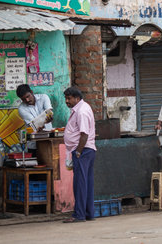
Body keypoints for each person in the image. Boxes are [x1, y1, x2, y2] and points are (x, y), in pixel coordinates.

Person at [63, 87, 96, 223]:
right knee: (86, 182)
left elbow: (84, 134)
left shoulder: (81, 111)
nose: (67, 101)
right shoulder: (81, 108)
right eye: (66, 98)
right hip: (85, 150)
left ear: (77, 98)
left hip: (83, 150)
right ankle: (88, 213)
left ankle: (79, 214)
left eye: (69, 98)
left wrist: (78, 152)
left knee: (80, 183)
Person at [16, 84, 53, 150]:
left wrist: (48, 117)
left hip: (49, 139)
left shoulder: (44, 97)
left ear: (32, 92)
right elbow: (34, 124)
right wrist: (45, 119)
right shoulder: (21, 108)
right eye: (23, 99)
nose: (27, 100)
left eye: (28, 96)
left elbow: (49, 112)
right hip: (34, 144)